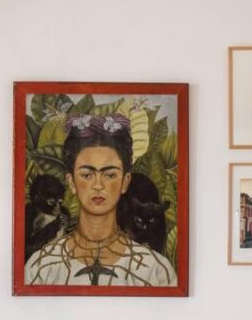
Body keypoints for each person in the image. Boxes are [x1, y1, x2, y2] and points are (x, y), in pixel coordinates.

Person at [24, 113, 177, 287]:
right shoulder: (41, 267)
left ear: (125, 182)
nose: (98, 185)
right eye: (87, 175)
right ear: (72, 182)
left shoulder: (155, 270)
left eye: (110, 175)